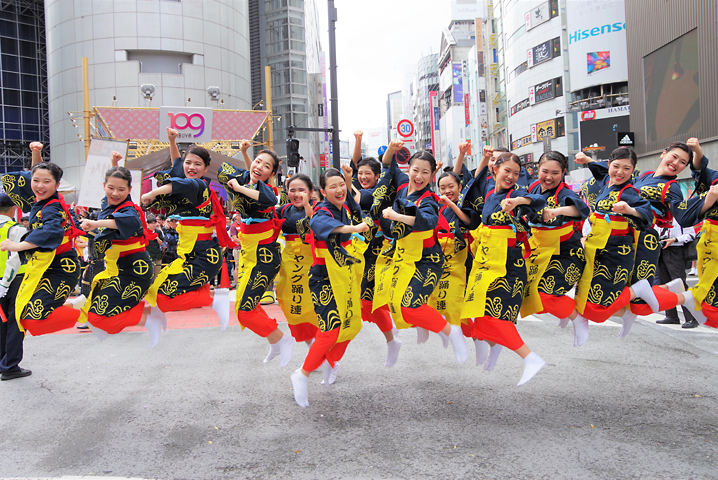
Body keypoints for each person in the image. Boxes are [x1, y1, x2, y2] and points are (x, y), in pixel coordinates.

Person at [377, 141, 468, 363]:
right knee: (397, 303)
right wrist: (391, 148)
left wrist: (396, 216)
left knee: (410, 307)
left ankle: (451, 331)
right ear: (407, 169)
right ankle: (428, 326)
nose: (419, 176)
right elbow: (387, 165)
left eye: (425, 172)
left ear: (431, 175)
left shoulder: (427, 200)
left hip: (428, 260)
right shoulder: (400, 184)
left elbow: (428, 221)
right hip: (404, 257)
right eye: (415, 170)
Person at [461, 152, 547, 386]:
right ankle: (495, 346)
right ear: (496, 169)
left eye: (516, 173)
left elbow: (537, 201)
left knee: (495, 318)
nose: (511, 176)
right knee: (474, 314)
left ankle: (530, 358)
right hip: (486, 261)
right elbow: (471, 184)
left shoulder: (516, 193)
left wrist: (518, 202)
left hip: (509, 264)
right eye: (507, 170)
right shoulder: (490, 192)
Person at [290, 167, 368, 407]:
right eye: (332, 186)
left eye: (341, 185)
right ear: (322, 192)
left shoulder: (343, 207)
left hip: (343, 275)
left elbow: (356, 208)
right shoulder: (322, 211)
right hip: (323, 277)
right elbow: (322, 225)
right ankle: (301, 375)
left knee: (352, 324)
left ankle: (330, 362)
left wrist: (348, 179)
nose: (339, 189)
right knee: (331, 328)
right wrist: (353, 229)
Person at [141, 128, 235, 325]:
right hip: (190, 253)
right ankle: (207, 299)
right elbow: (177, 168)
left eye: (197, 164)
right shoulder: (188, 179)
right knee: (155, 291)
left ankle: (212, 301)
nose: (191, 167)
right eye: (189, 163)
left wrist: (152, 194)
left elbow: (180, 184)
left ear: (206, 167)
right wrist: (172, 141)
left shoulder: (198, 186)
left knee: (162, 297)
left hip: (203, 255)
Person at [566, 147, 657, 344]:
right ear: (609, 165)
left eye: (627, 168)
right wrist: (587, 159)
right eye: (616, 166)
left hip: (615, 253)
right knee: (583, 298)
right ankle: (626, 313)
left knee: (596, 308)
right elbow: (600, 169)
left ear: (633, 170)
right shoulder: (607, 183)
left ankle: (638, 292)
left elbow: (647, 215)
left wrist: (630, 210)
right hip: (596, 250)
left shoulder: (629, 191)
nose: (620, 172)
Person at [217, 145, 293, 365]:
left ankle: (281, 339)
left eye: (266, 166)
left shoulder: (267, 191)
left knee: (245, 311)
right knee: (246, 304)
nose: (259, 166)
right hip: (250, 251)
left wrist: (239, 189)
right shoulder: (244, 177)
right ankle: (276, 341)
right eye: (258, 161)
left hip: (264, 255)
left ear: (271, 174)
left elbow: (267, 199)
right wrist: (243, 154)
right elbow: (244, 173)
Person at [0, 141, 84, 336]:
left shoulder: (52, 207)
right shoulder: (40, 199)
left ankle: (81, 311)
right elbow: (37, 172)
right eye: (36, 180)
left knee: (33, 319)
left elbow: (51, 231)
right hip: (44, 265)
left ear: (57, 185)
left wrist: (18, 245)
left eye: (47, 182)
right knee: (24, 315)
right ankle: (76, 307)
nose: (39, 185)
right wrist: (36, 153)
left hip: (61, 267)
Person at [78, 156, 160, 345]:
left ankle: (147, 317)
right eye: (111, 188)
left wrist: (96, 223)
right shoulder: (108, 203)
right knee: (95, 316)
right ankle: (145, 315)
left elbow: (128, 222)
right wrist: (115, 165)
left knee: (97, 318)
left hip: (133, 270)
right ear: (104, 185)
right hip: (116, 269)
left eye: (121, 189)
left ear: (130, 190)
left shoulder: (130, 209)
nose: (115, 193)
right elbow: (115, 185)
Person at [351, 130, 402, 368]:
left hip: (377, 250)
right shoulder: (355, 185)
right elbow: (354, 164)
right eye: (359, 174)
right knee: (361, 301)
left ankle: (391, 338)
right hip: (355, 250)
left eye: (367, 173)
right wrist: (358, 141)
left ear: (377, 176)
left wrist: (391, 150)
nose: (362, 176)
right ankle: (391, 333)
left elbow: (362, 196)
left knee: (367, 300)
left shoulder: (378, 192)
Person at [522, 152, 589, 327]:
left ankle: (578, 318)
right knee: (527, 296)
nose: (549, 177)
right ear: (537, 169)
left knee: (545, 296)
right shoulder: (532, 189)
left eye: (555, 173)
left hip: (566, 254)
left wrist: (557, 211)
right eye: (545, 171)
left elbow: (579, 210)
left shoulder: (564, 194)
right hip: (539, 252)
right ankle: (562, 306)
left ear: (563, 172)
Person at [431, 170, 481, 357]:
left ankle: (476, 339)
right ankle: (448, 332)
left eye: (451, 186)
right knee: (434, 301)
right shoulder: (437, 207)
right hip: (440, 261)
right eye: (442, 188)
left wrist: (451, 204)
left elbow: (469, 221)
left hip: (461, 262)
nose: (446, 191)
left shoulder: (464, 205)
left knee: (457, 306)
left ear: (460, 187)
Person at [275, 174, 319, 347]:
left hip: (313, 263)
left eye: (302, 190)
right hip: (290, 265)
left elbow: (315, 222)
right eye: (292, 190)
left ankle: (321, 350)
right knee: (292, 305)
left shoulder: (319, 207)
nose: (297, 194)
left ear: (311, 192)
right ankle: (312, 348)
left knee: (315, 307)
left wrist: (308, 206)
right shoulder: (284, 210)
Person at [0, 193, 29, 380]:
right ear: (13, 209)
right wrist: (5, 283)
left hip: (2, 282)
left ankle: (3, 362)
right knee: (15, 323)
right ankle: (10, 366)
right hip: (14, 281)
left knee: (1, 323)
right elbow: (15, 259)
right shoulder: (16, 229)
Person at [656, 218, 697, 327]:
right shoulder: (660, 217)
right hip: (661, 251)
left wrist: (675, 239)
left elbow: (691, 235)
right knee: (665, 283)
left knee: (680, 284)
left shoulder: (681, 217)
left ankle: (692, 317)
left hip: (676, 250)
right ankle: (671, 316)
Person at [145, 214, 164, 279]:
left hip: (157, 254)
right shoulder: (145, 232)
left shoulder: (158, 232)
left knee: (157, 273)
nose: (153, 224)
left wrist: (157, 238)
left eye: (154, 223)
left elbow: (162, 243)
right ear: (147, 224)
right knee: (150, 273)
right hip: (149, 254)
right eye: (151, 223)